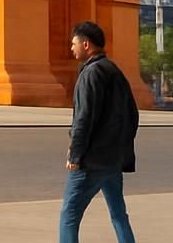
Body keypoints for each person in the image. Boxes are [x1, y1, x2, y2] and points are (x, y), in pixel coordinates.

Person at [59, 21, 138, 243]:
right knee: (119, 215)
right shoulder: (115, 71)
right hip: (113, 160)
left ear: (86, 44)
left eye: (73, 44)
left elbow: (84, 118)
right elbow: (133, 115)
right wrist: (119, 146)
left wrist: (75, 154)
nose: (71, 48)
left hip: (92, 161)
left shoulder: (90, 74)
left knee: (69, 214)